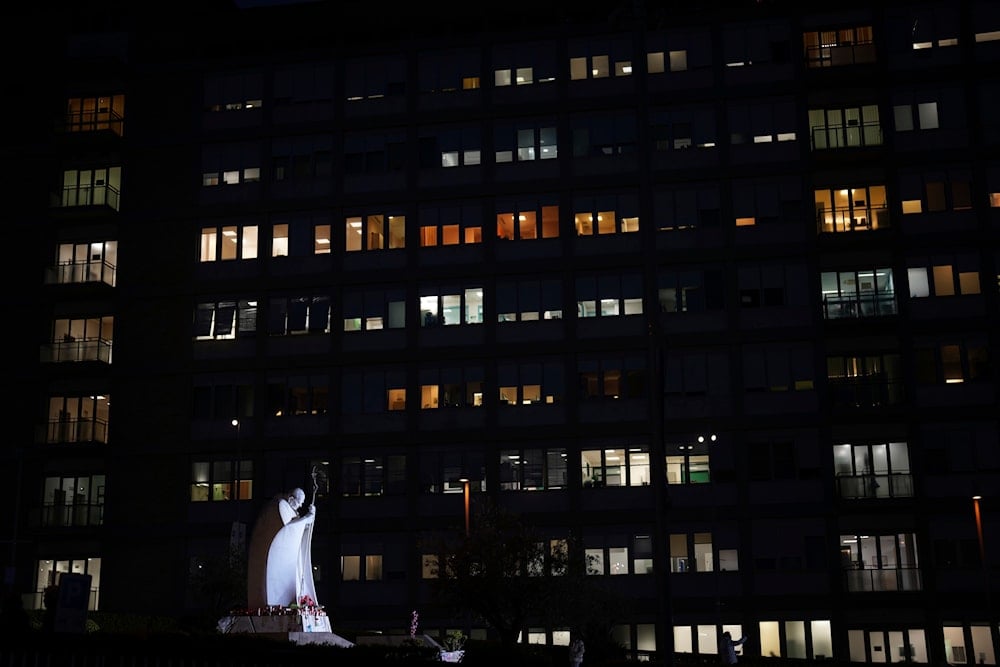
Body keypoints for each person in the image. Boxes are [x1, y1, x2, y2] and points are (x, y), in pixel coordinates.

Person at [246, 487, 318, 609]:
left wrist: (311, 517)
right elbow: (287, 530)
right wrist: (305, 519)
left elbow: (297, 529)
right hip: (274, 556)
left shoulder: (293, 511)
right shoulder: (280, 507)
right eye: (299, 502)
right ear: (291, 499)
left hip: (285, 557)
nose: (300, 506)